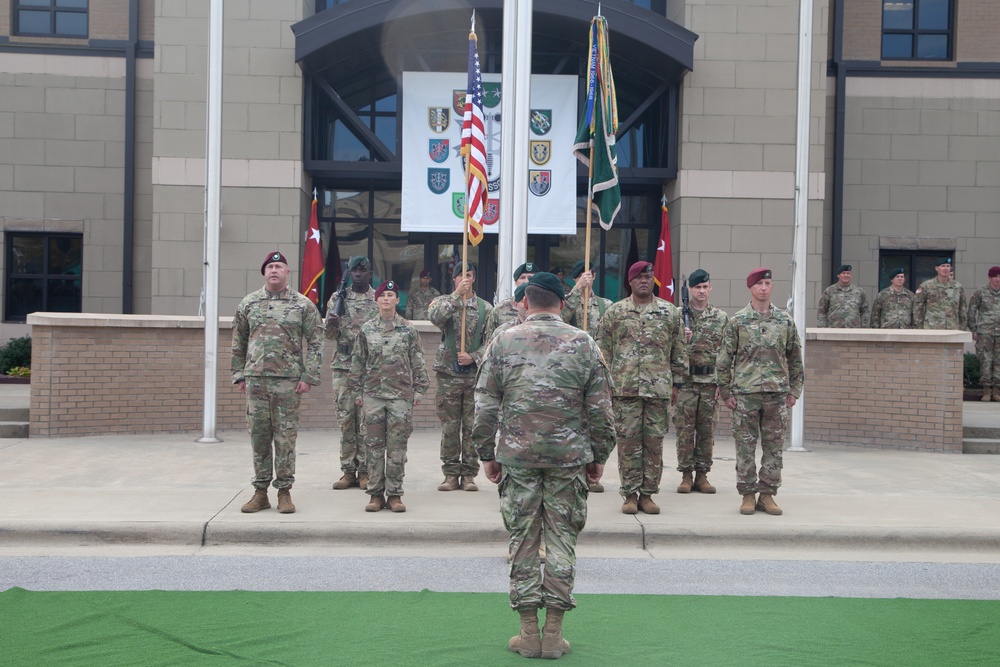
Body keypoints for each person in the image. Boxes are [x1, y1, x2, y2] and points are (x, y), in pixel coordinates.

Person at [473, 272, 615, 660]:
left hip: (517, 459)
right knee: (561, 541)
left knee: (522, 541)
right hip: (568, 459)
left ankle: (528, 632)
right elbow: (602, 410)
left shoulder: (502, 342)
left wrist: (487, 455)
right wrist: (599, 457)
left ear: (525, 302)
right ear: (562, 304)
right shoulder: (584, 343)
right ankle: (553, 634)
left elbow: (484, 405)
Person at [232, 251, 323, 515]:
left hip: (288, 383)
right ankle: (260, 492)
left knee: (285, 438)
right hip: (256, 382)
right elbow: (238, 342)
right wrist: (239, 374)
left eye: (279, 266)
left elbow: (316, 342)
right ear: (264, 272)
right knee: (259, 438)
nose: (274, 270)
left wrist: (309, 376)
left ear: (287, 272)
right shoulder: (248, 303)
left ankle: (284, 492)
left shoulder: (303, 305)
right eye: (270, 266)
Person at [596, 261, 687, 515]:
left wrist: (677, 382)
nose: (644, 281)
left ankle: (647, 494)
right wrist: (605, 383)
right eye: (639, 277)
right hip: (625, 390)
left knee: (654, 443)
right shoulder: (615, 312)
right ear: (630, 282)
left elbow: (679, 350)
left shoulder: (670, 313)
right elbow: (603, 349)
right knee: (627, 443)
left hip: (658, 390)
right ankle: (629, 494)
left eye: (648, 276)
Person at [716, 268, 804, 517]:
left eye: (768, 283)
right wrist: (725, 392)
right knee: (745, 447)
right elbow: (724, 360)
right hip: (745, 395)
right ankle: (746, 495)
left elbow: (795, 358)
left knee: (774, 447)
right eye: (759, 284)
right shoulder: (737, 322)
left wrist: (795, 390)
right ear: (751, 288)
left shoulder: (784, 321)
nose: (764, 288)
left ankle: (767, 495)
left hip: (776, 395)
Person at [348, 280, 429, 512]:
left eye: (391, 294)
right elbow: (357, 362)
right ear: (376, 300)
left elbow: (418, 360)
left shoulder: (408, 329)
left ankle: (394, 494)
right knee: (373, 448)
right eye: (383, 295)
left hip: (400, 397)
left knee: (396, 448)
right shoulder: (366, 330)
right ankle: (375, 495)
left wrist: (420, 389)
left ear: (397, 300)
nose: (386, 299)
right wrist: (356, 391)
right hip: (373, 395)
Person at [428, 262, 493, 492]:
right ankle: (450, 473)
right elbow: (435, 317)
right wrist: (457, 296)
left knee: (472, 426)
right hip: (448, 375)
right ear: (453, 279)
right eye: (460, 276)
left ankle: (469, 474)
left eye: (469, 275)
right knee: (450, 426)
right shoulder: (443, 302)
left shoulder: (486, 308)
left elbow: (492, 342)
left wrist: (474, 356)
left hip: (474, 375)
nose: (464, 279)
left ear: (474, 278)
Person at [672, 269, 728, 494]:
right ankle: (686, 475)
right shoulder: (677, 316)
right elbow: (669, 348)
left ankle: (702, 475)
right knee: (684, 431)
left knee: (706, 431)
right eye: (697, 288)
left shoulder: (721, 317)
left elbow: (727, 353)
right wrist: (681, 337)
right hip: (685, 382)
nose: (701, 291)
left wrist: (722, 383)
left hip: (709, 381)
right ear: (689, 290)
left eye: (705, 287)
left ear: (710, 288)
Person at [326, 256, 378, 491]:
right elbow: (328, 337)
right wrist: (332, 322)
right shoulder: (338, 298)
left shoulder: (378, 299)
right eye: (354, 271)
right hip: (343, 367)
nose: (357, 274)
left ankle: (366, 471)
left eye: (362, 270)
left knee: (367, 422)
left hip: (368, 368)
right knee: (346, 420)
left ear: (370, 273)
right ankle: (348, 471)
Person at [968, 266, 1000, 402]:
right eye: (995, 276)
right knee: (985, 361)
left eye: (999, 276)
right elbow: (971, 310)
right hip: (985, 333)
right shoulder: (980, 292)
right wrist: (973, 329)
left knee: (999, 362)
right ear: (989, 278)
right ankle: (986, 390)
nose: (998, 279)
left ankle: (997, 390)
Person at [484, 262, 539, 340]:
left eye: (530, 277)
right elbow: (489, 340)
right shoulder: (500, 308)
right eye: (522, 277)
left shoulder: (546, 307)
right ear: (515, 282)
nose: (526, 281)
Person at [914, 257, 967, 330]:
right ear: (936, 268)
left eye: (948, 266)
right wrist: (919, 328)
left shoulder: (957, 287)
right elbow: (918, 309)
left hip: (952, 329)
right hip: (932, 329)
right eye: (943, 266)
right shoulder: (926, 286)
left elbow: (962, 309)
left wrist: (962, 328)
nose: (945, 268)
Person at [561, 260, 612, 336]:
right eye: (580, 276)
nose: (584, 279)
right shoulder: (565, 302)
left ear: (594, 276)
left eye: (587, 275)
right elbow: (562, 319)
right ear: (574, 279)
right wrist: (578, 287)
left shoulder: (606, 305)